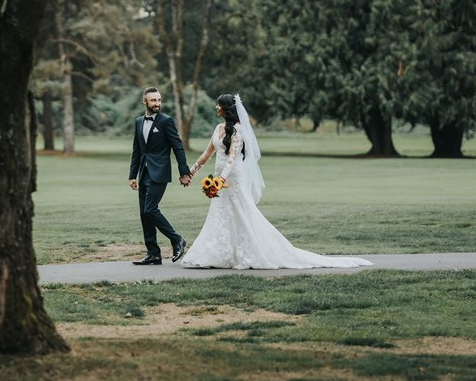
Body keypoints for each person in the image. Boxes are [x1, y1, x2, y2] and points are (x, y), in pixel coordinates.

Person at [182, 94, 372, 270]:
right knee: (220, 214)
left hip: (232, 177)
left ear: (226, 109)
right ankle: (220, 254)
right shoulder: (218, 129)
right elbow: (207, 154)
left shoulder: (238, 130)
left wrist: (220, 180)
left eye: (219, 105)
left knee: (241, 211)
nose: (216, 107)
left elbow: (232, 158)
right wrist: (191, 172)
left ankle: (250, 253)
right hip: (219, 177)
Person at [128, 86, 192, 265]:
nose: (157, 103)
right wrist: (132, 175)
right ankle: (153, 254)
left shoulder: (166, 121)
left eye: (159, 100)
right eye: (153, 100)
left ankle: (177, 239)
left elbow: (178, 146)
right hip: (144, 173)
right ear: (145, 102)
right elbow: (137, 151)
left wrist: (184, 172)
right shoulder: (139, 122)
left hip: (160, 172)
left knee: (150, 210)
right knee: (144, 213)